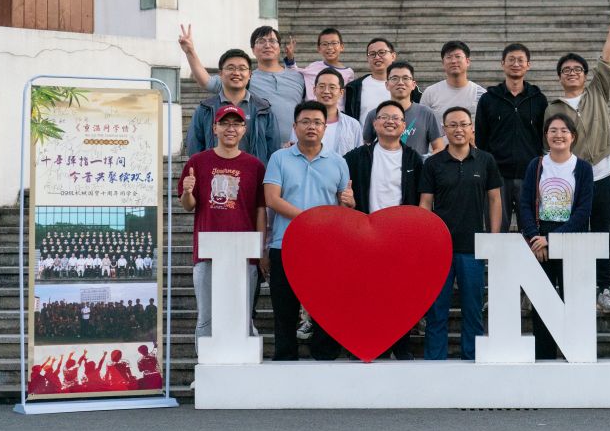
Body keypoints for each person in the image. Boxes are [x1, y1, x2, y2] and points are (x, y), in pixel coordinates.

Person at [544, 0, 610, 314]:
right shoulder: (552, 108)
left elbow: (607, 57)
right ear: (559, 77)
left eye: (577, 69)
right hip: (570, 178)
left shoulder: (597, 92)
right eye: (566, 70)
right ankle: (574, 289)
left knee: (603, 234)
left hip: (602, 174)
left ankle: (604, 289)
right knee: (572, 235)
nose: (572, 73)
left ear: (585, 75)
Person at [264, 101, 353, 361]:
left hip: (326, 246)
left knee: (326, 305)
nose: (311, 126)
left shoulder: (338, 162)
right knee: (285, 308)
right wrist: (308, 219)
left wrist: (350, 203)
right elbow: (272, 199)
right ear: (295, 126)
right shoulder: (279, 158)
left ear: (325, 128)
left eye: (317, 122)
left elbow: (343, 205)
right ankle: (285, 358)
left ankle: (325, 357)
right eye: (305, 122)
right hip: (284, 243)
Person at [178, 104, 267, 351]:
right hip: (207, 253)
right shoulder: (198, 162)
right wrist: (187, 191)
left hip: (243, 253)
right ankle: (204, 363)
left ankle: (241, 361)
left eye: (236, 124)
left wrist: (260, 250)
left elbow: (260, 210)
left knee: (242, 314)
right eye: (225, 123)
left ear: (244, 129)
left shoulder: (255, 166)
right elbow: (188, 205)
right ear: (214, 128)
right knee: (206, 316)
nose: (231, 129)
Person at [419, 106, 502, 360]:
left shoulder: (485, 160)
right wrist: (426, 239)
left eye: (464, 124)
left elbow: (495, 199)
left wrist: (493, 237)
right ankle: (435, 362)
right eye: (452, 125)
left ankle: (472, 359)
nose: (458, 129)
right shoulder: (433, 163)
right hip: (440, 248)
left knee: (473, 310)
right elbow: (425, 203)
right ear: (444, 129)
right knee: (436, 311)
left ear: (472, 128)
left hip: (473, 246)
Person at [344, 100, 425, 360]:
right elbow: (342, 188)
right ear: (374, 123)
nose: (390, 121)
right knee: (365, 294)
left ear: (404, 126)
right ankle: (365, 345)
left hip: (400, 237)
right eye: (384, 117)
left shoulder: (414, 159)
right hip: (365, 234)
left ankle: (401, 347)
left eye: (396, 118)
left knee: (399, 296)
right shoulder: (357, 157)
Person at [518, 113, 593, 359]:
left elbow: (583, 210)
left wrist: (553, 239)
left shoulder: (583, 168)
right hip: (540, 241)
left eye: (564, 130)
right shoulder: (536, 165)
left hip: (571, 239)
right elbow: (525, 204)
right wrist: (535, 237)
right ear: (546, 136)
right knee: (543, 303)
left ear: (573, 136)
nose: (558, 135)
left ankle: (575, 355)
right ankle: (545, 357)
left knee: (574, 301)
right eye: (553, 130)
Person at [181, 24, 305, 148]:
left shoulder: (298, 77)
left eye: (272, 41)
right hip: (260, 149)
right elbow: (207, 82)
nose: (267, 45)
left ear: (279, 47)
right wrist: (190, 52)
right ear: (253, 49)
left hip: (296, 149)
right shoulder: (244, 78)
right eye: (261, 41)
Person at [477, 43, 548, 232]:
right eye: (511, 60)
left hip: (530, 174)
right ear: (503, 63)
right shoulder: (488, 99)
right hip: (497, 176)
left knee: (532, 232)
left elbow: (544, 136)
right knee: (496, 231)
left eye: (520, 60)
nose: (516, 64)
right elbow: (481, 139)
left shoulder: (538, 99)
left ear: (528, 65)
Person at [184, 48, 280, 165]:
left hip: (253, 174)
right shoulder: (205, 109)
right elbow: (194, 148)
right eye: (230, 68)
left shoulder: (263, 109)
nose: (236, 73)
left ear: (250, 74)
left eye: (242, 68)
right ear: (220, 74)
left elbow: (273, 150)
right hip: (215, 174)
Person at [361, 61, 444, 156]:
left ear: (413, 85)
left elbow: (439, 148)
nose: (400, 83)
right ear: (387, 85)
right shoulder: (375, 114)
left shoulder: (427, 114)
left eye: (405, 78)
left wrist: (421, 161)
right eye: (394, 78)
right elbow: (366, 148)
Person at [344, 38, 421, 125]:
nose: (377, 57)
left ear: (393, 56)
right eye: (372, 54)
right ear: (367, 58)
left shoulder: (407, 86)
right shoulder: (354, 88)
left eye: (381, 52)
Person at [420, 41, 487, 126]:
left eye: (458, 56)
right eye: (449, 57)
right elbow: (422, 124)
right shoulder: (430, 93)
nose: (453, 61)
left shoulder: (481, 94)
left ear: (467, 61)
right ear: (443, 63)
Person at [285, 28, 355, 107]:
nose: (330, 47)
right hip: (312, 111)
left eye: (334, 43)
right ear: (319, 48)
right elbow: (293, 72)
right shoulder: (314, 67)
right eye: (325, 44)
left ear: (342, 46)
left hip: (335, 112)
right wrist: (290, 57)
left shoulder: (348, 73)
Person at [312, 68, 363, 156]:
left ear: (341, 92)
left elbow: (359, 157)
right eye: (322, 86)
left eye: (332, 87)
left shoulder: (353, 125)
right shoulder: (302, 122)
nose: (326, 91)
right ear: (314, 90)